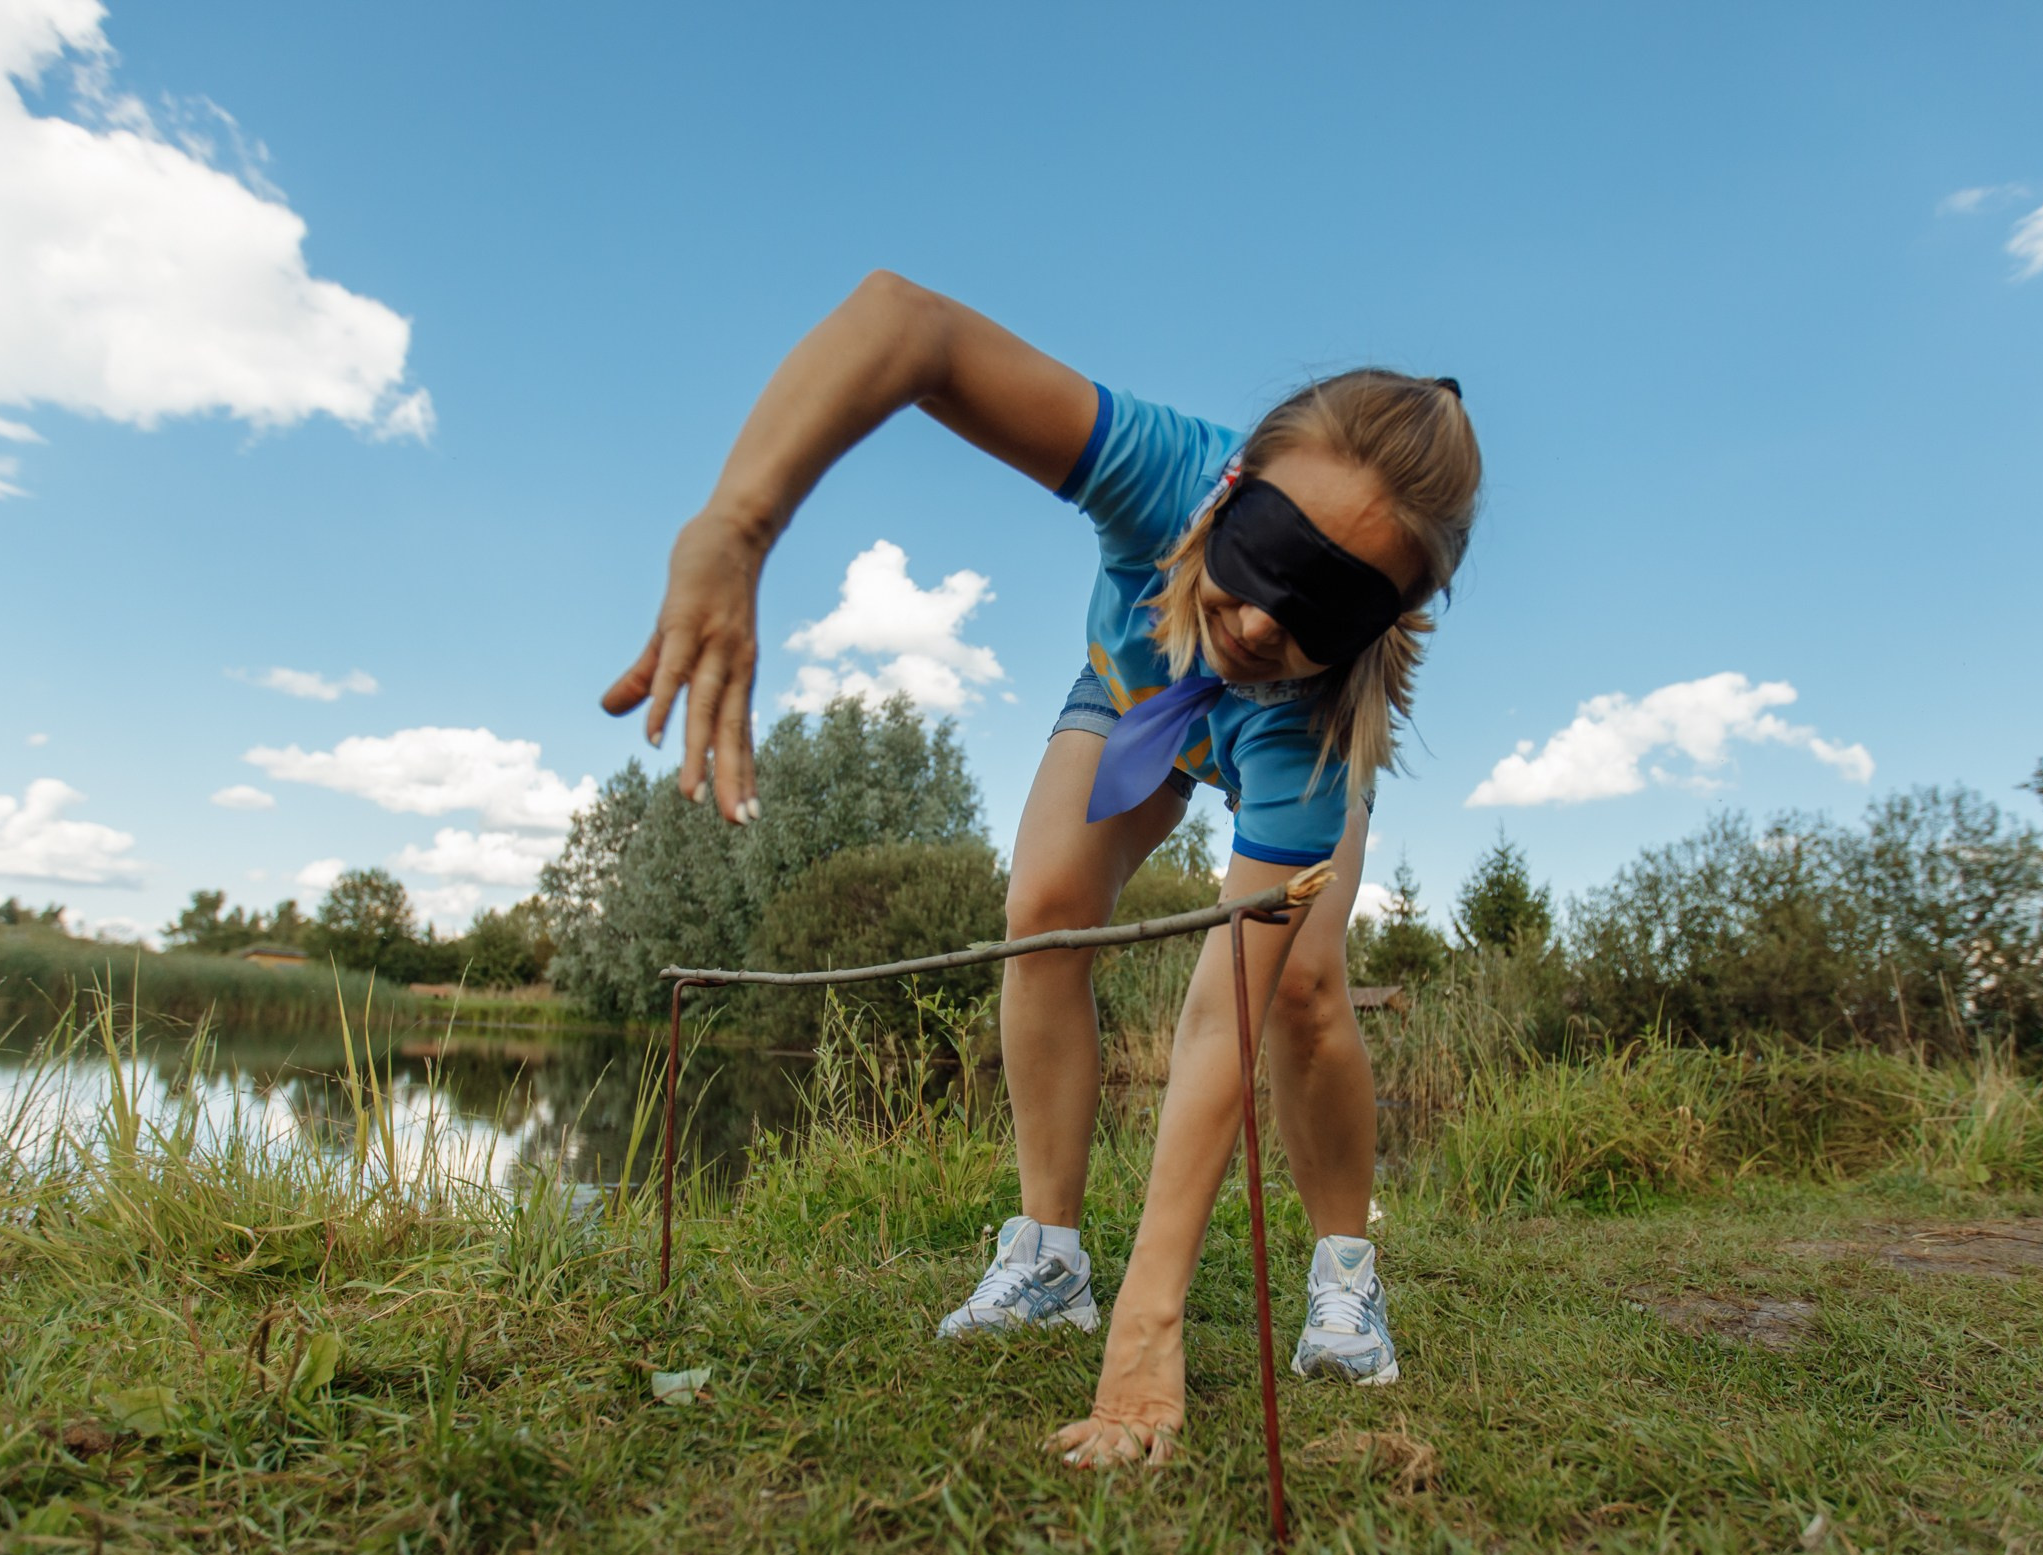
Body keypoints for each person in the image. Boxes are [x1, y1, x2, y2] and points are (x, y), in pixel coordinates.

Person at [603, 272, 1481, 1466]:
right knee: (1044, 914)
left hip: (1279, 731)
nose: (1269, 618)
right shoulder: (1160, 472)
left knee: (1303, 998)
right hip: (1137, 687)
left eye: (1328, 601)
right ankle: (1048, 1261)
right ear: (1229, 487)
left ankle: (1344, 1276)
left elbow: (1220, 1019)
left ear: (1380, 622)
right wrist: (737, 524)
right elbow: (908, 326)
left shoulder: (1313, 716)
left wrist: (1152, 1328)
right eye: (1267, 551)